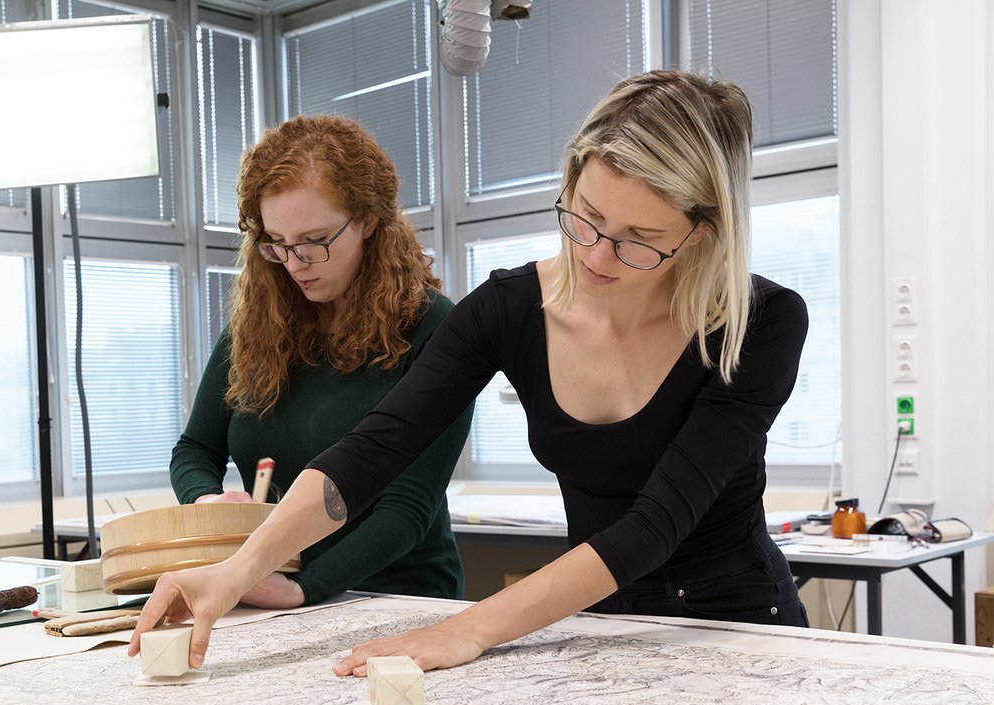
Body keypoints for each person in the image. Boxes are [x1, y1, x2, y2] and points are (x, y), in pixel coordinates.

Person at [129, 70, 809, 674]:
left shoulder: (763, 321)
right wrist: (235, 567)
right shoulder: (507, 310)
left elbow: (653, 526)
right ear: (569, 179)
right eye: (588, 217)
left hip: (737, 624)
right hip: (599, 622)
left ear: (702, 232)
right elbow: (375, 449)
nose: (598, 256)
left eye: (639, 240)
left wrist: (467, 628)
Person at [166, 114, 473, 612]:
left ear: (369, 219)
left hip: (396, 599)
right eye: (278, 244)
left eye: (315, 240)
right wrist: (209, 504)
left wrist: (306, 588)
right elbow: (195, 449)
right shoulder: (255, 328)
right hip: (273, 589)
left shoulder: (434, 329)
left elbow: (408, 508)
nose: (294, 263)